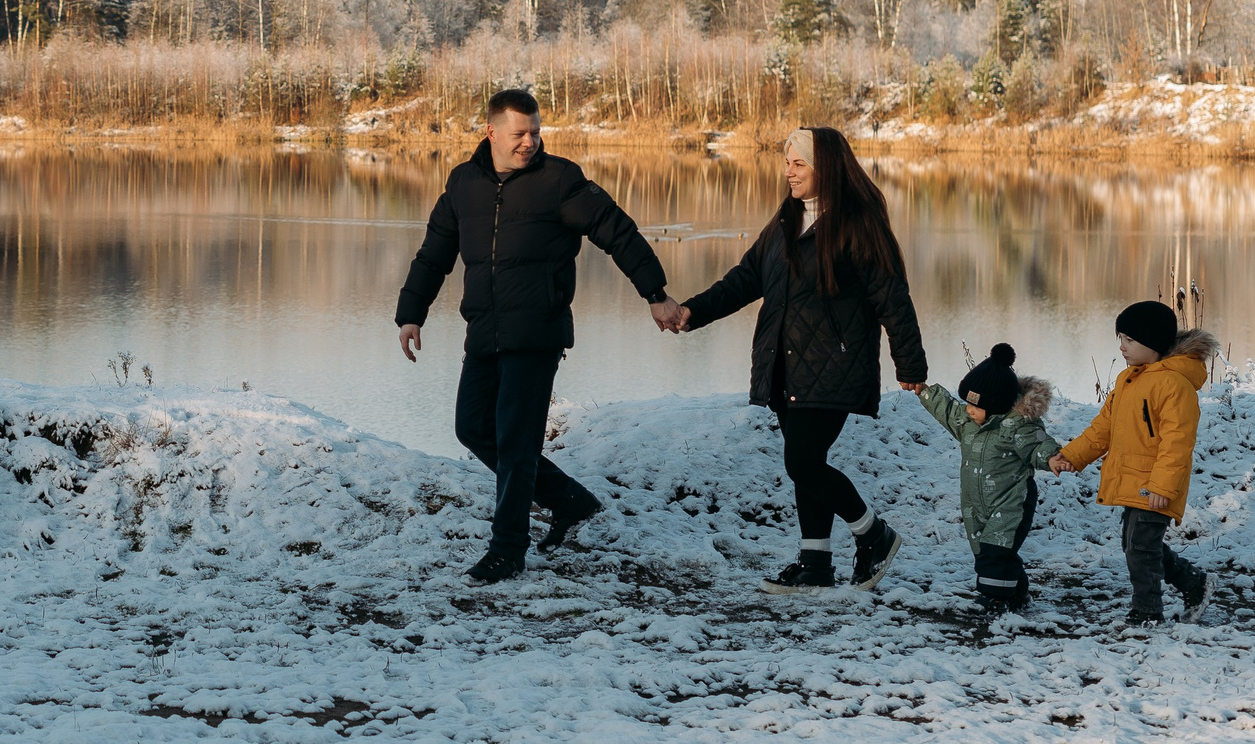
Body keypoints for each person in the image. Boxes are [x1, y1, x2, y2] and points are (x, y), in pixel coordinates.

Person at [396, 87, 681, 584]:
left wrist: (654, 292)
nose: (530, 141)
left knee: (516, 439)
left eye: (536, 131)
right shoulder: (464, 184)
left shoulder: (560, 180)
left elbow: (618, 231)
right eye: (520, 133)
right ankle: (568, 500)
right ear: (491, 133)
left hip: (537, 332)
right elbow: (434, 253)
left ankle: (508, 549)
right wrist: (410, 313)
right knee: (472, 427)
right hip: (484, 330)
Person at [658, 126, 926, 593]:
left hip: (835, 366)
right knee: (808, 460)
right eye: (787, 163)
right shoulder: (786, 220)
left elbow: (892, 298)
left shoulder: (856, 223)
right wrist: (691, 311)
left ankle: (874, 534)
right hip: (785, 366)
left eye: (799, 163)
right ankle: (816, 564)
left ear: (827, 168)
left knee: (802, 462)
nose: (789, 172)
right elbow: (744, 279)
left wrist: (910, 364)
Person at [1049, 301, 1217, 628]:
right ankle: (1194, 583)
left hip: (1155, 485)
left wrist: (1161, 488)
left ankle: (1147, 612)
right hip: (1131, 479)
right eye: (1120, 339)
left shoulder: (1174, 385)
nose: (1122, 347)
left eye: (1129, 340)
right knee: (1136, 544)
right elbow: (1103, 429)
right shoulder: (1128, 380)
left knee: (1140, 547)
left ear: (1152, 342)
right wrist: (1072, 456)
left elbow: (1177, 443)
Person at [900, 342, 1059, 612]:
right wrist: (925, 392)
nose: (969, 410)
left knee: (997, 552)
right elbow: (948, 410)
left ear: (995, 405)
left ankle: (995, 599)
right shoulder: (968, 423)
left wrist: (1052, 457)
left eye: (976, 406)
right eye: (968, 404)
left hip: (1011, 502)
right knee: (989, 553)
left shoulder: (1017, 427)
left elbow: (1038, 446)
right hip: (976, 503)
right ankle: (1017, 593)